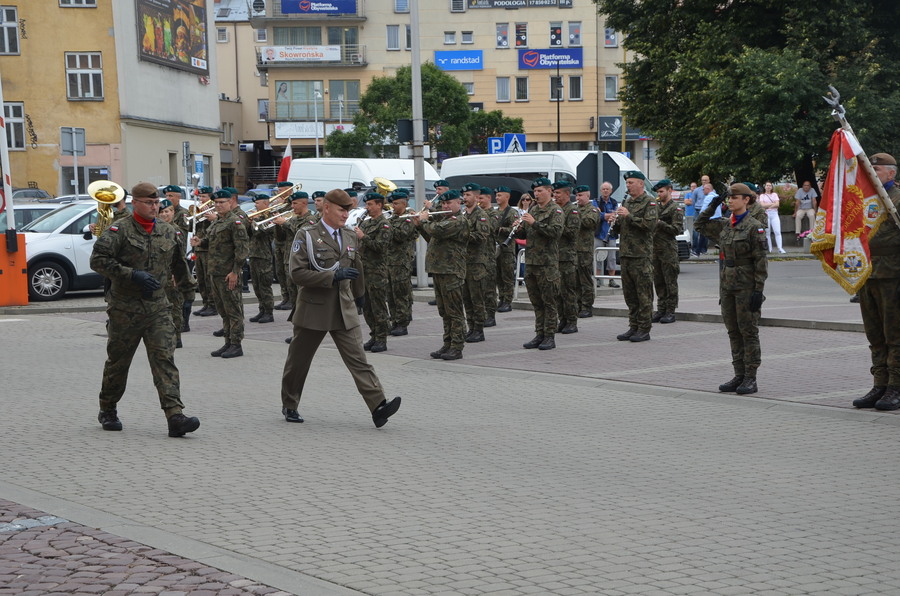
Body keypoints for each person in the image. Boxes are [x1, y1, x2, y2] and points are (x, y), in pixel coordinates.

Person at [280, 189, 402, 427]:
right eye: (341, 210)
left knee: (358, 359)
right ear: (326, 208)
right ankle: (290, 404)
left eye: (348, 209)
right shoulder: (306, 235)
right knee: (299, 361)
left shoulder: (349, 235)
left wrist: (360, 295)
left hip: (343, 307)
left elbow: (357, 267)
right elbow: (296, 273)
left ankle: (378, 406)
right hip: (314, 308)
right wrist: (331, 276)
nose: (346, 215)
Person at [90, 182, 200, 438]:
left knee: (164, 359)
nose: (155, 206)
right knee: (118, 362)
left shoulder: (168, 231)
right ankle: (108, 409)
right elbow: (98, 261)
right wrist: (132, 274)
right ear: (135, 203)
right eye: (149, 203)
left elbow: (179, 264)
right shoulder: (119, 230)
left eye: (157, 202)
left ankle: (175, 416)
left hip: (158, 308)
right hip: (125, 310)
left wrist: (188, 293)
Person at [695, 183, 768, 395]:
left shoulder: (755, 227)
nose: (730, 200)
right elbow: (700, 224)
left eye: (734, 197)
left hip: (746, 287)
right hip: (727, 286)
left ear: (746, 200)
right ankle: (738, 374)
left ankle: (751, 378)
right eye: (728, 197)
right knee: (733, 331)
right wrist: (713, 204)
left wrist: (758, 290)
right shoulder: (726, 225)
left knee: (748, 331)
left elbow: (761, 261)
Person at [851, 153, 900, 410]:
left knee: (895, 335)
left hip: (893, 276)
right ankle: (880, 384)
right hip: (868, 273)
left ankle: (895, 387)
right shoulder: (865, 200)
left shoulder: (897, 200)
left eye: (877, 169)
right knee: (875, 334)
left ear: (891, 174)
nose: (871, 173)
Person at [190, 189, 249, 359]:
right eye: (216, 203)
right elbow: (211, 241)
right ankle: (228, 342)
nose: (218, 205)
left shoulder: (235, 222)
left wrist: (235, 272)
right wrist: (200, 241)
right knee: (223, 310)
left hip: (228, 273)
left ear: (230, 202)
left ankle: (236, 344)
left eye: (222, 202)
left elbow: (242, 250)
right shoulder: (217, 222)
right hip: (214, 272)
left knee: (233, 310)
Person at [415, 190, 469, 360]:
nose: (445, 206)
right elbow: (431, 237)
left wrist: (424, 221)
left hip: (452, 271)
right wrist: (419, 225)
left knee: (454, 311)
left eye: (449, 203)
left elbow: (436, 231)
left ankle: (457, 346)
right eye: (444, 203)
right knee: (444, 311)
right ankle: (447, 344)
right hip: (439, 270)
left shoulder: (458, 220)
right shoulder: (444, 219)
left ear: (458, 203)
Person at [607, 171, 658, 342]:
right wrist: (615, 223)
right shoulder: (628, 202)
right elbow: (622, 228)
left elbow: (649, 226)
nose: (628, 186)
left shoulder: (649, 202)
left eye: (631, 182)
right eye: (627, 183)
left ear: (641, 184)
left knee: (643, 294)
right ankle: (633, 326)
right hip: (627, 255)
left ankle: (644, 328)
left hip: (641, 255)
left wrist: (629, 216)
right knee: (630, 294)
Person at [516, 177, 564, 350]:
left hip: (547, 264)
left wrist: (534, 223)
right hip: (531, 263)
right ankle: (539, 334)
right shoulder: (534, 210)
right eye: (535, 191)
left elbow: (555, 233)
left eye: (540, 191)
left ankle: (549, 336)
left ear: (549, 191)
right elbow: (524, 236)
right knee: (536, 302)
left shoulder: (555, 211)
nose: (536, 194)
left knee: (549, 302)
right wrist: (519, 228)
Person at [356, 191, 393, 352]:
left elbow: (380, 247)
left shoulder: (384, 224)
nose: (367, 207)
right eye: (367, 204)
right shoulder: (366, 222)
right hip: (364, 270)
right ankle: (374, 334)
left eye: (370, 204)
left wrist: (363, 237)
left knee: (378, 307)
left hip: (377, 271)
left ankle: (382, 339)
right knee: (367, 307)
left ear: (379, 205)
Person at [157, 199, 197, 348]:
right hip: (161, 274)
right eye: (161, 212)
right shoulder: (158, 229)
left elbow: (179, 256)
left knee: (175, 307)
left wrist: (177, 274)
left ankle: (177, 337)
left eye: (167, 211)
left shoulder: (176, 230)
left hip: (172, 275)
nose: (164, 214)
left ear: (173, 213)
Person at [460, 182, 492, 343]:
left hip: (477, 263)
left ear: (476, 197)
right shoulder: (464, 215)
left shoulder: (481, 215)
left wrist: (462, 235)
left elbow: (481, 236)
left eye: (468, 195)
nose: (465, 198)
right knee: (466, 298)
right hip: (464, 263)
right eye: (464, 195)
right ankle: (470, 327)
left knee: (477, 298)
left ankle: (479, 329)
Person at [650, 180, 683, 324]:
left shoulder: (675, 209)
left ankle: (670, 311)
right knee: (658, 281)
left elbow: (676, 230)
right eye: (657, 192)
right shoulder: (655, 207)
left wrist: (660, 223)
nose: (659, 195)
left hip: (668, 250)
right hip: (655, 249)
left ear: (670, 190)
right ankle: (661, 308)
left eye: (661, 191)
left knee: (670, 281)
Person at [386, 189, 418, 336]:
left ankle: (403, 322)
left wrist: (386, 226)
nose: (393, 206)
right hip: (390, 260)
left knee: (401, 293)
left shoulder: (408, 217)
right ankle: (395, 320)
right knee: (391, 293)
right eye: (393, 203)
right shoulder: (393, 217)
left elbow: (401, 235)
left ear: (404, 203)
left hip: (401, 261)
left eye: (396, 203)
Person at [552, 180, 581, 334]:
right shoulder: (555, 209)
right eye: (554, 193)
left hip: (567, 257)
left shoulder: (573, 210)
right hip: (554, 257)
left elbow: (572, 233)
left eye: (558, 193)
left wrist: (556, 226)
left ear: (567, 194)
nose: (555, 196)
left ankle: (571, 321)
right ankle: (562, 319)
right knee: (557, 292)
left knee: (568, 291)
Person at [247, 194, 276, 324]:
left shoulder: (271, 217)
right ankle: (261, 310)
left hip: (264, 256)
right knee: (256, 286)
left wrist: (254, 221)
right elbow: (250, 233)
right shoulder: (257, 218)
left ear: (265, 204)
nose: (255, 206)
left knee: (264, 285)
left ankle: (269, 312)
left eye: (258, 203)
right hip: (253, 254)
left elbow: (260, 231)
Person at [574, 184, 601, 317]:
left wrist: (575, 214)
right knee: (574, 280)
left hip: (584, 250)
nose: (578, 198)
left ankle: (587, 306)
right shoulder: (574, 209)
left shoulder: (593, 210)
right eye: (577, 195)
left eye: (580, 195)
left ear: (587, 196)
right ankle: (577, 305)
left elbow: (589, 223)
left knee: (585, 279)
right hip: (572, 250)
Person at [191, 186, 218, 318]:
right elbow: (191, 227)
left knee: (209, 279)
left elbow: (214, 229)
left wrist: (211, 217)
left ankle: (213, 305)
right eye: (200, 197)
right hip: (199, 249)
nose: (202, 200)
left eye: (204, 197)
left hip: (209, 249)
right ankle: (206, 303)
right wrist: (195, 217)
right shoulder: (199, 210)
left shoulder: (215, 212)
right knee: (200, 279)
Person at [272, 181, 295, 311]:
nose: (278, 193)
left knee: (287, 273)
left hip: (288, 243)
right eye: (278, 190)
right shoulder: (279, 205)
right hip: (279, 242)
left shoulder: (292, 205)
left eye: (281, 190)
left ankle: (292, 299)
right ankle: (285, 297)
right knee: (280, 272)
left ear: (289, 191)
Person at [494, 186, 518, 313]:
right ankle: (501, 298)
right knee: (498, 275)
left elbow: (515, 230)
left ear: (507, 197)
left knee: (507, 276)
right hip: (496, 248)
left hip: (507, 249)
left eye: (500, 195)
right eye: (496, 195)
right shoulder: (495, 212)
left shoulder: (512, 212)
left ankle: (508, 301)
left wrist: (501, 229)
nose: (497, 198)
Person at [478, 187, 499, 327]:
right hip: (475, 258)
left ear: (488, 199)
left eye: (481, 198)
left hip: (488, 257)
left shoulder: (493, 214)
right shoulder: (474, 213)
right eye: (478, 198)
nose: (479, 201)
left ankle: (491, 315)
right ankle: (481, 314)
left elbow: (491, 229)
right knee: (478, 290)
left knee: (489, 289)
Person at [594, 182, 619, 287]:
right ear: (601, 190)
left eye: (607, 189)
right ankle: (598, 279)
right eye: (603, 189)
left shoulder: (614, 202)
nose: (605, 191)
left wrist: (608, 216)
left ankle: (611, 280)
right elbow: (596, 214)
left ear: (611, 191)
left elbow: (616, 214)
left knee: (612, 257)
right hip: (599, 233)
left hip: (611, 234)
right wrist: (606, 215)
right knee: (598, 256)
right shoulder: (596, 201)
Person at [758, 182, 785, 253]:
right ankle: (769, 249)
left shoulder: (774, 194)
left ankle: (780, 248)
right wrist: (772, 204)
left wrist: (768, 205)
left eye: (770, 186)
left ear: (772, 187)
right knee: (767, 232)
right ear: (765, 187)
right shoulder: (762, 195)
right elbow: (762, 205)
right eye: (767, 185)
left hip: (774, 214)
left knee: (777, 231)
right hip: (766, 214)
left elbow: (777, 204)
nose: (768, 187)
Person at [691, 175, 711, 256]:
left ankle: (703, 249)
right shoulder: (697, 190)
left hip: (706, 212)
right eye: (703, 180)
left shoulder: (711, 190)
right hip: (698, 211)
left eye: (706, 180)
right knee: (695, 230)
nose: (704, 182)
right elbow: (693, 201)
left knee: (705, 231)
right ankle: (694, 248)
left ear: (709, 181)